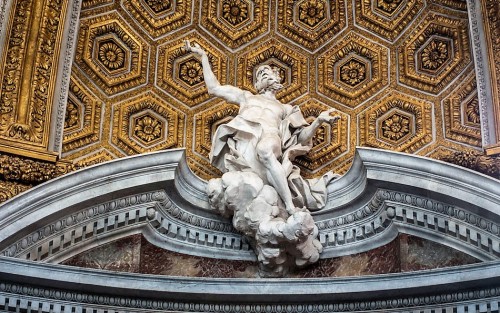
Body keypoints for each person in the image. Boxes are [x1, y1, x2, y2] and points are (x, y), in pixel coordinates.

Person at [186, 41, 340, 215]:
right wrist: (203, 57)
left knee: (265, 151)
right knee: (254, 163)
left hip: (269, 136)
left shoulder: (286, 108)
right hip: (245, 138)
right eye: (261, 74)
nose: (264, 75)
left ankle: (289, 205)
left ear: (276, 79)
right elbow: (214, 88)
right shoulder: (246, 97)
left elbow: (302, 139)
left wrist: (318, 121)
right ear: (258, 82)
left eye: (268, 73)